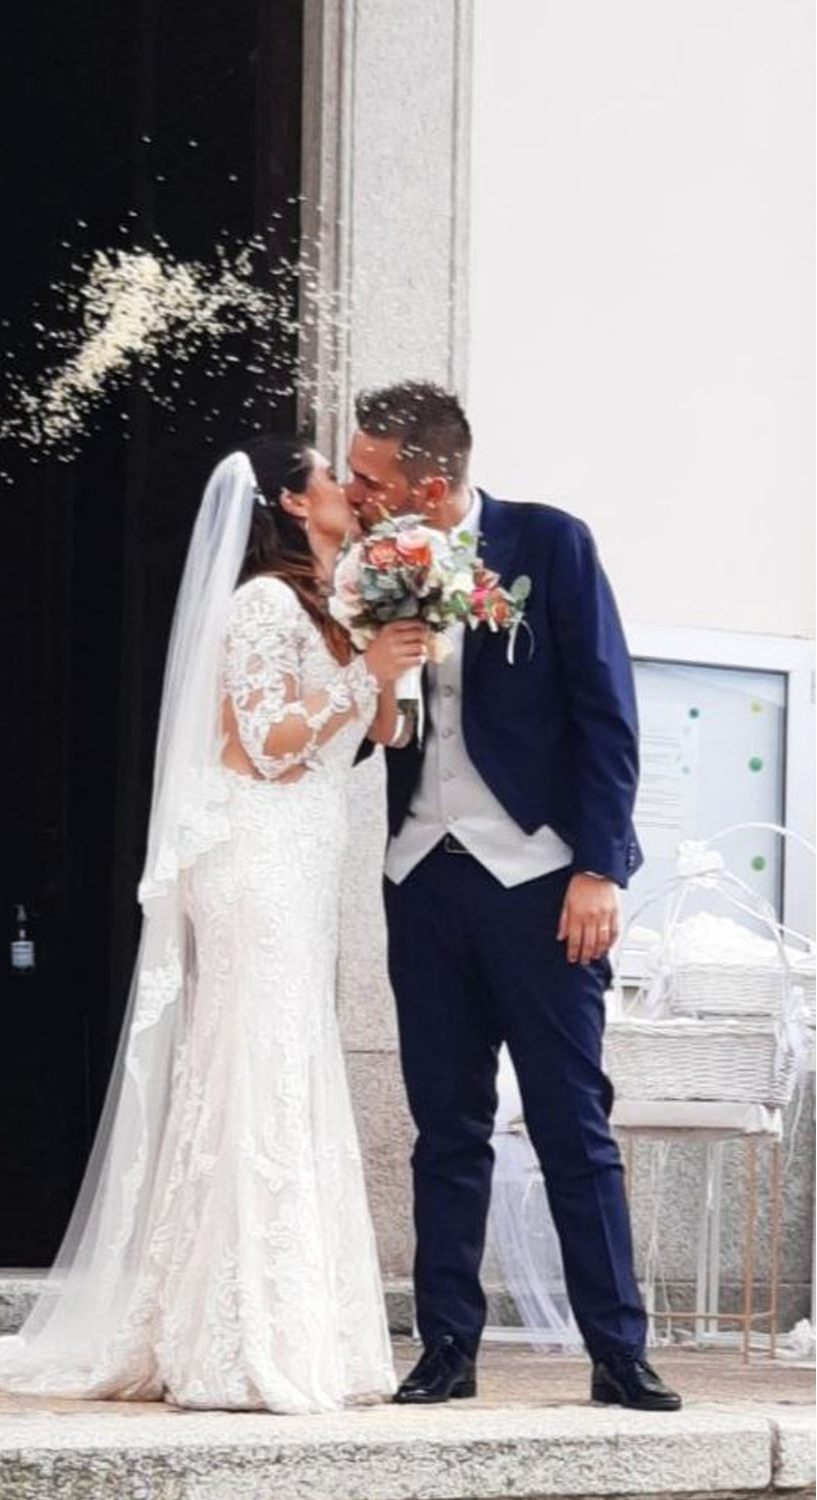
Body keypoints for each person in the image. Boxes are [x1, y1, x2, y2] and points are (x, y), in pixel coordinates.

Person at [0, 438, 427, 1413]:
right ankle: (235, 1337)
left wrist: (387, 663)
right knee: (255, 1060)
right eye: (330, 476)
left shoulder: (337, 604)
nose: (350, 489)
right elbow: (258, 747)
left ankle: (292, 1326)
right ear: (293, 503)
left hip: (305, 856)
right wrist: (358, 675)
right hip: (256, 854)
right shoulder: (262, 604)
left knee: (287, 1058)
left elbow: (382, 734)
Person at [347, 381, 681, 1412]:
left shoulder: (550, 544)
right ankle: (446, 1348)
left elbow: (606, 713)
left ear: (428, 485)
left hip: (542, 885)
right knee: (445, 1129)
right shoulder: (369, 568)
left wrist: (599, 869)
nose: (356, 495)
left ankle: (617, 1351)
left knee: (571, 1123)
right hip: (422, 879)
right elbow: (374, 729)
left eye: (369, 478)